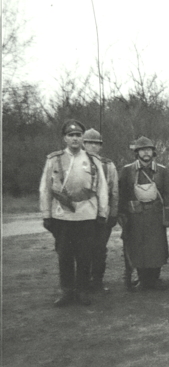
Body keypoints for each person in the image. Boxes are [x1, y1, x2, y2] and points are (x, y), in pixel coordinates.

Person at [40, 120, 109, 306]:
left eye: (78, 135)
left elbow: (102, 187)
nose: (75, 139)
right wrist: (46, 214)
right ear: (65, 138)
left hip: (86, 215)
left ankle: (83, 291)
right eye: (71, 135)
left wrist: (102, 212)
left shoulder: (93, 160)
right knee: (65, 255)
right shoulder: (54, 159)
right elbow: (45, 189)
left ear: (83, 138)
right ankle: (67, 291)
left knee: (85, 255)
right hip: (62, 215)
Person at [118, 136, 169, 290]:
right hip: (135, 217)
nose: (145, 153)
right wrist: (122, 215)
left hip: (156, 216)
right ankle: (142, 279)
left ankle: (155, 279)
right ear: (137, 153)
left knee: (156, 249)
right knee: (138, 249)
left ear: (153, 152)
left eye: (148, 149)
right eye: (142, 150)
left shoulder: (162, 171)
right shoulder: (127, 171)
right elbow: (122, 195)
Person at [82, 128, 119, 293]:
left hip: (102, 215)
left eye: (96, 144)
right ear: (83, 144)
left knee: (99, 249)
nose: (93, 147)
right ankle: (81, 282)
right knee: (82, 249)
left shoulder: (108, 165)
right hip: (81, 215)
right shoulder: (73, 163)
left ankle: (97, 281)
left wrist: (113, 213)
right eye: (89, 143)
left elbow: (114, 191)